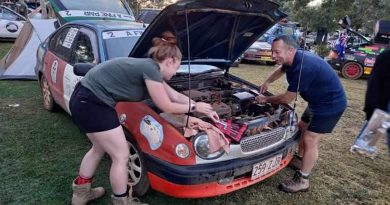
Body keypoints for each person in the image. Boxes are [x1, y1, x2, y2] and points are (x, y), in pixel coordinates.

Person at [69, 31, 219, 205]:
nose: (176, 73)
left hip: (83, 99)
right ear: (170, 61)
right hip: (93, 103)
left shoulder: (150, 69)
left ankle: (81, 193)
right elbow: (166, 106)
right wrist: (194, 107)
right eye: (177, 67)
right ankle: (122, 201)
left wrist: (204, 109)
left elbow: (176, 96)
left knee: (98, 148)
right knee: (121, 156)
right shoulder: (150, 69)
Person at [256, 35, 347, 193]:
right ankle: (299, 159)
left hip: (330, 105)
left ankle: (303, 180)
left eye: (277, 52)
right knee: (301, 127)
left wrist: (266, 99)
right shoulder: (293, 59)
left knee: (310, 138)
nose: (273, 56)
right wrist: (267, 82)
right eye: (272, 52)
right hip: (316, 102)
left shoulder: (304, 67)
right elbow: (282, 69)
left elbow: (287, 98)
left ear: (291, 50)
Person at [363, 49, 390, 154]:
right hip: (382, 97)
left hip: (382, 97)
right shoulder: (386, 55)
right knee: (377, 120)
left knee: (378, 121)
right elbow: (375, 80)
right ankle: (364, 145)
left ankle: (366, 146)